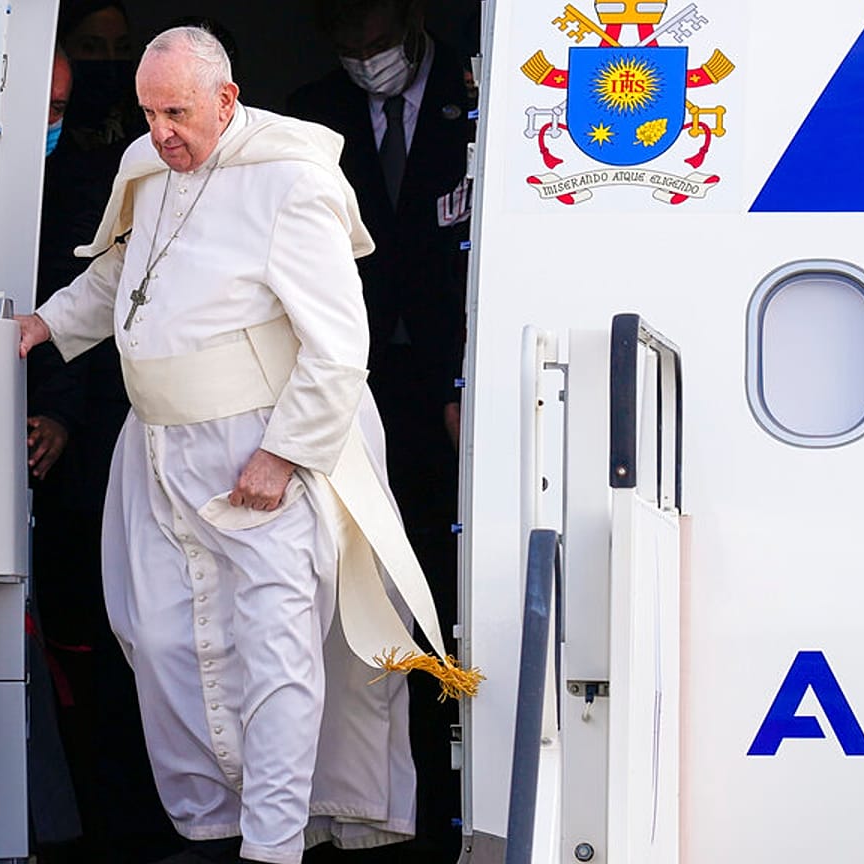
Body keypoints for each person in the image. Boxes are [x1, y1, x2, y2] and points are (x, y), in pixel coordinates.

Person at [17, 26, 472, 864]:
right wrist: (44, 325)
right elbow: (122, 275)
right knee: (160, 637)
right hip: (156, 453)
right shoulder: (151, 169)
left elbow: (339, 344)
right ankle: (220, 825)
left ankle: (273, 845)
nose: (160, 132)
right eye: (150, 113)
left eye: (178, 112)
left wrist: (283, 453)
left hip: (264, 448)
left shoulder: (293, 180)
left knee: (275, 647)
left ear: (226, 100)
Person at [286, 2, 477, 861]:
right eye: (347, 43)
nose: (366, 58)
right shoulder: (306, 112)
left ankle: (445, 805)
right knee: (354, 595)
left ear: (412, 20)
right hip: (346, 388)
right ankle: (363, 804)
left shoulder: (484, 88)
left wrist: (454, 383)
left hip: (451, 393)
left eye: (377, 39)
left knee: (444, 586)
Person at [28, 13, 181, 864]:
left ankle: (120, 831)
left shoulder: (98, 179)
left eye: (64, 101)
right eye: (44, 103)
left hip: (79, 448)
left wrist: (61, 415)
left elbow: (101, 309)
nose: (59, 116)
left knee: (117, 641)